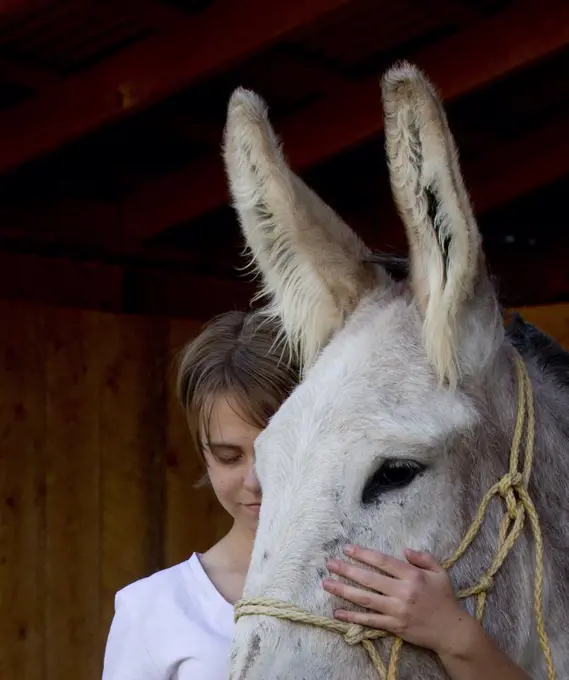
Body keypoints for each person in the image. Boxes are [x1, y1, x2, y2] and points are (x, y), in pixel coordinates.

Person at [101, 309, 531, 680]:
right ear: (203, 456)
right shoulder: (152, 610)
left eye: (279, 451)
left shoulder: (402, 584)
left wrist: (455, 634)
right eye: (229, 456)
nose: (255, 481)